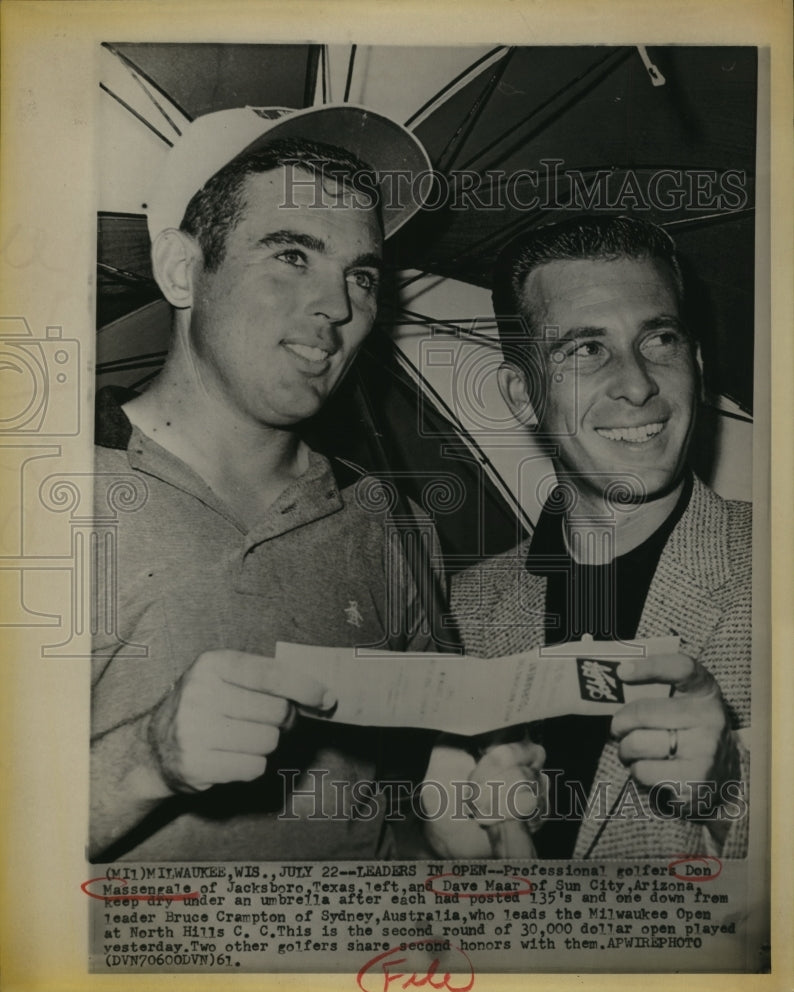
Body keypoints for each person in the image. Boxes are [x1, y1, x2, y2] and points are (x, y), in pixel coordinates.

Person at [90, 104, 441, 862]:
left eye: (362, 275)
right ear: (184, 270)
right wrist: (146, 761)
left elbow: (404, 798)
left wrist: (457, 832)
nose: (338, 306)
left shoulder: (395, 526)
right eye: (292, 256)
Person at [440, 216, 751, 859]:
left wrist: (729, 798)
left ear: (695, 361)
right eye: (586, 349)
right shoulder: (460, 614)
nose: (637, 384)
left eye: (659, 339)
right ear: (523, 393)